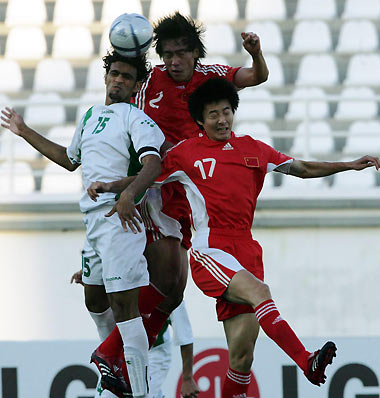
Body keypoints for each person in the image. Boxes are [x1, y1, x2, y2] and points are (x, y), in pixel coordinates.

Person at [144, 77, 380, 396]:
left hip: (247, 251)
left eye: (226, 111)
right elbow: (145, 180)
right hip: (210, 249)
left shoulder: (253, 148)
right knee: (261, 292)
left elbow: (302, 168)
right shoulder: (185, 154)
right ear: (200, 120)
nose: (222, 119)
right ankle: (306, 360)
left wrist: (349, 166)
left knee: (241, 359)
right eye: (213, 114)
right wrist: (111, 191)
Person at [91, 13, 269, 393]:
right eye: (167, 53)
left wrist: (256, 53)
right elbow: (115, 109)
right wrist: (128, 186)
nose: (173, 60)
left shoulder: (212, 75)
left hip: (190, 195)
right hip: (156, 189)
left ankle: (113, 352)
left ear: (194, 53)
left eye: (181, 53)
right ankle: (112, 352)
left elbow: (257, 77)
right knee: (169, 281)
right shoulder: (148, 82)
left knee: (172, 292)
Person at [0, 51, 166, 398]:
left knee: (125, 307)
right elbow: (69, 159)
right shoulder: (90, 116)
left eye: (127, 77)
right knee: (94, 300)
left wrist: (128, 194)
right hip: (92, 222)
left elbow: (153, 164)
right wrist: (24, 130)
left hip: (120, 219)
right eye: (115, 74)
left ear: (136, 86)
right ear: (106, 77)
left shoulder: (137, 119)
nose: (119, 80)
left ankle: (139, 392)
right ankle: (115, 374)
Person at [71, 272, 199, 398]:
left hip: (154, 354)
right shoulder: (125, 272)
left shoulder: (168, 286)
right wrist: (92, 278)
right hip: (119, 350)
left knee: (139, 393)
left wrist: (187, 379)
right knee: (107, 393)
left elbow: (184, 335)